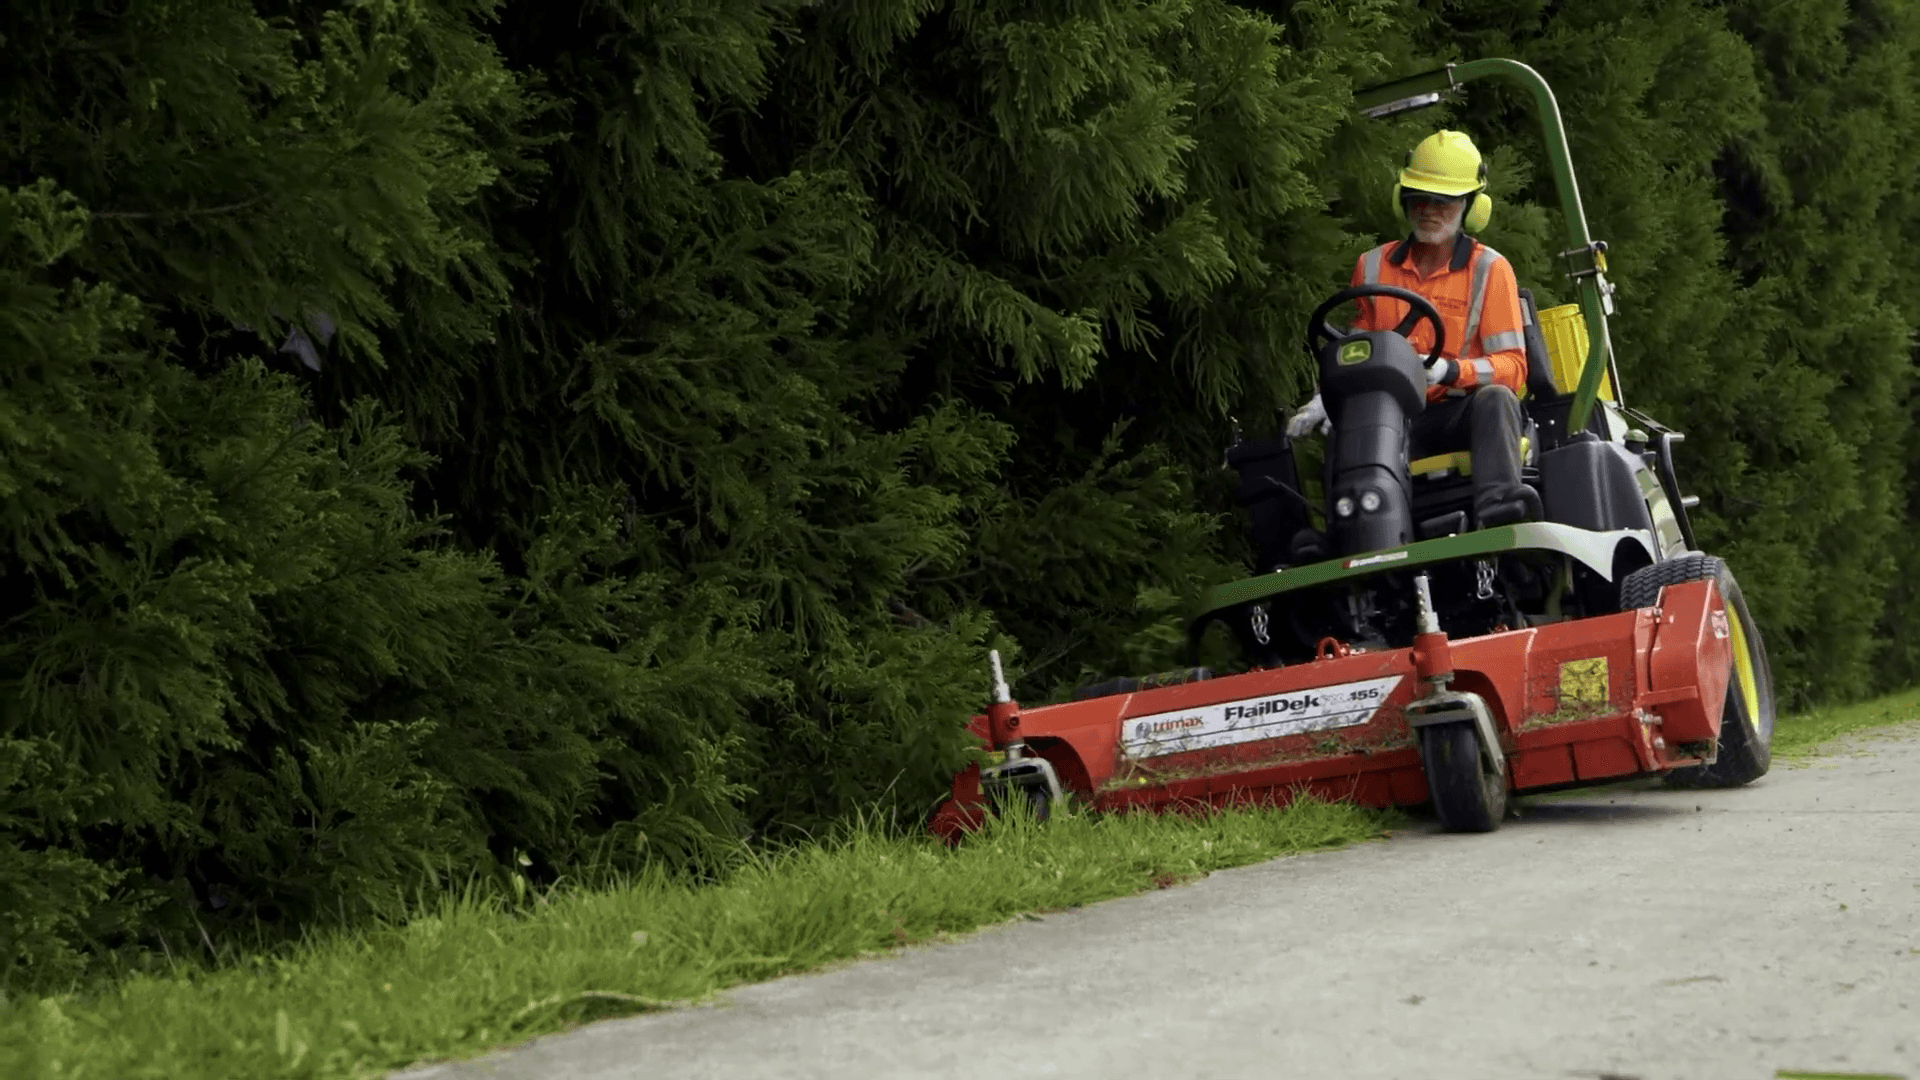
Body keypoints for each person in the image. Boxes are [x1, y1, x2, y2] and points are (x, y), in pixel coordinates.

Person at [1287, 129, 1542, 530]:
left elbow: (1513, 368)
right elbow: (1357, 347)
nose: (1429, 209)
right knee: (1345, 423)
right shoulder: (1372, 266)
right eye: (1420, 197)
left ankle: (1498, 514)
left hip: (1459, 416)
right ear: (1402, 199)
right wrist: (1326, 397)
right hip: (1395, 418)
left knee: (1496, 400)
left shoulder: (1490, 270)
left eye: (1444, 201)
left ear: (1472, 207)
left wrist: (1450, 371)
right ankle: (1347, 533)